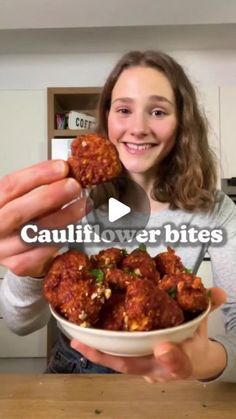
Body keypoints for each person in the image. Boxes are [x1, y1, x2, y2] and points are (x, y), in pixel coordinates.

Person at [0, 50, 236, 382]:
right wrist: (33, 267)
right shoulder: (67, 201)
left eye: (157, 111)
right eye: (124, 109)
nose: (138, 128)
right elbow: (19, 323)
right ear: (107, 117)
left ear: (182, 122)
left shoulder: (215, 209)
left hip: (168, 377)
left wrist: (207, 360)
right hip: (72, 372)